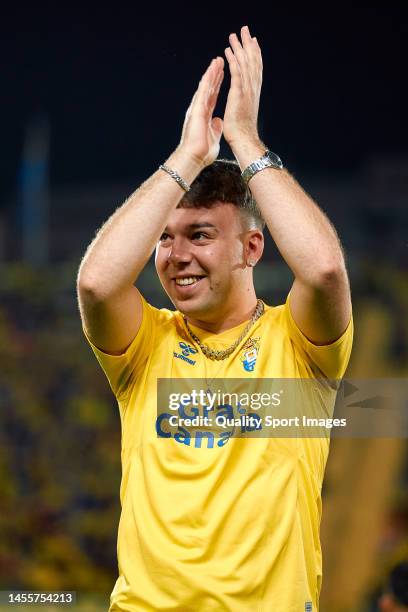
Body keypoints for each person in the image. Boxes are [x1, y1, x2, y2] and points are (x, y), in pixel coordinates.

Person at [77, 25, 353, 611]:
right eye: (165, 238)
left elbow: (325, 270)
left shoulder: (299, 344)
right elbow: (97, 283)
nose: (177, 257)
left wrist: (247, 142)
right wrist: (185, 157)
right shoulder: (145, 344)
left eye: (200, 235)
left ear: (251, 249)